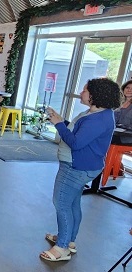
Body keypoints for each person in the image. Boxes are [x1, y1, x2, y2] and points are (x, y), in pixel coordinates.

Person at [41, 78, 120, 262]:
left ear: (96, 96)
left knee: (61, 204)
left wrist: (58, 125)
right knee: (72, 203)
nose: (81, 92)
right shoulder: (98, 114)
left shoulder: (98, 119)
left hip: (75, 167)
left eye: (85, 90)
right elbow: (80, 133)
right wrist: (62, 121)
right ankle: (68, 240)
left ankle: (61, 248)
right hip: (82, 166)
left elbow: (76, 143)